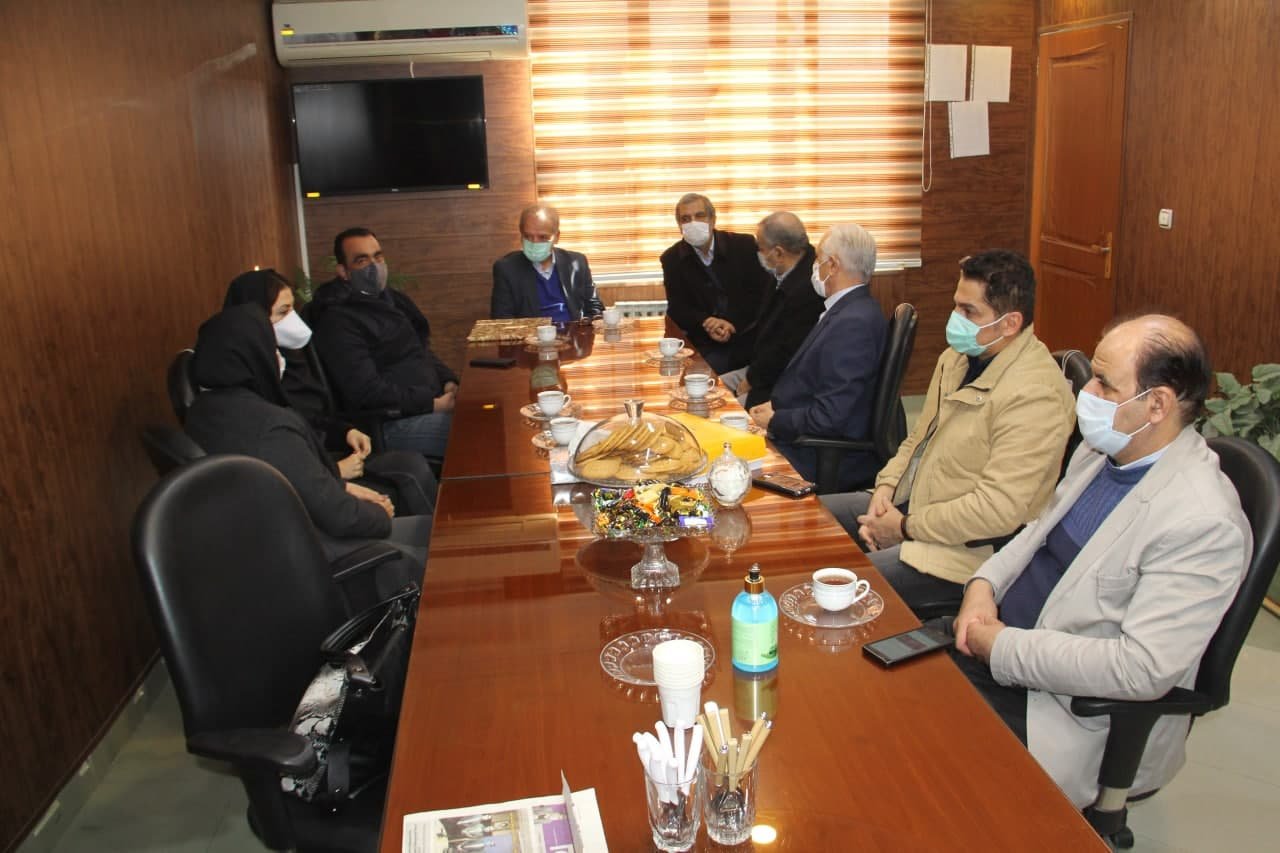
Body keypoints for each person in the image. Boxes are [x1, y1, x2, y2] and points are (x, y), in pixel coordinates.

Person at [947, 314, 1249, 808]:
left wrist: (1000, 647)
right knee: (881, 685)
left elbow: (1141, 668)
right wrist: (983, 586)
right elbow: (1034, 536)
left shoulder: (1202, 521)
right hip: (999, 641)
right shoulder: (1100, 452)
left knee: (917, 758)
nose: (1086, 392)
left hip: (1065, 710)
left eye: (1104, 383)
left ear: (1157, 404)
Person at [820, 250, 1075, 613]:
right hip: (914, 506)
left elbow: (997, 511)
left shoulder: (1036, 395)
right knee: (808, 522)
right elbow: (917, 440)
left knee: (836, 595)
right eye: (956, 305)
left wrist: (903, 527)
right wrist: (885, 491)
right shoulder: (957, 359)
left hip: (967, 554)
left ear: (1009, 323)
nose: (956, 318)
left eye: (969, 311)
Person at [183, 303, 431, 598]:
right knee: (439, 559)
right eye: (271, 347)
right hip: (313, 552)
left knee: (432, 529)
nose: (278, 356)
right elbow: (338, 515)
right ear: (253, 355)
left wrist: (340, 486)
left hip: (270, 544)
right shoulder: (269, 426)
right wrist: (379, 513)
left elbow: (295, 480)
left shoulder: (202, 412)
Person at [223, 269, 436, 514]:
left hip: (329, 456)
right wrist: (333, 470)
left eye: (293, 309)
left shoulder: (291, 361)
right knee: (410, 471)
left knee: (412, 464)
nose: (293, 320)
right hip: (312, 477)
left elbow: (313, 417)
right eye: (283, 312)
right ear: (253, 319)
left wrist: (345, 431)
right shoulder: (247, 382)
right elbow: (280, 453)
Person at [747, 224, 887, 489]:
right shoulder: (847, 310)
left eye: (818, 259)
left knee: (726, 469)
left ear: (832, 265)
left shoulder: (853, 323)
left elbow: (830, 418)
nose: (814, 267)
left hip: (815, 454)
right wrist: (776, 408)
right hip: (801, 436)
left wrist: (776, 419)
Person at [308, 227, 458, 459]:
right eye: (362, 260)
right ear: (343, 271)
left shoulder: (394, 301)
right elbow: (367, 392)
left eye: (378, 257)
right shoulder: (337, 321)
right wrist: (432, 404)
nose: (374, 266)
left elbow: (420, 350)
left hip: (429, 404)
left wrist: (448, 381)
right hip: (390, 424)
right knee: (477, 433)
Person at [719, 211, 824, 408]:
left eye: (760, 248)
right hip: (759, 369)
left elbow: (786, 353)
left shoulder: (809, 288)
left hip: (782, 382)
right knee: (710, 389)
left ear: (778, 253)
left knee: (724, 412)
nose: (758, 253)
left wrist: (751, 381)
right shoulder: (782, 271)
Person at [660, 193, 769, 374]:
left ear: (713, 219)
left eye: (700, 216)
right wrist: (706, 322)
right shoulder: (672, 259)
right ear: (679, 225)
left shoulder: (744, 246)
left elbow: (762, 295)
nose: (693, 223)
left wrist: (731, 324)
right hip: (705, 342)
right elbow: (678, 308)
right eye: (686, 219)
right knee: (695, 378)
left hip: (748, 337)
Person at [490, 203, 602, 322]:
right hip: (532, 333)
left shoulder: (577, 262)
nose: (534, 243)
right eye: (528, 236)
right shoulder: (506, 268)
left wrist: (585, 327)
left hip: (574, 331)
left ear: (556, 237)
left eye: (543, 237)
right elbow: (502, 320)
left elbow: (595, 308)